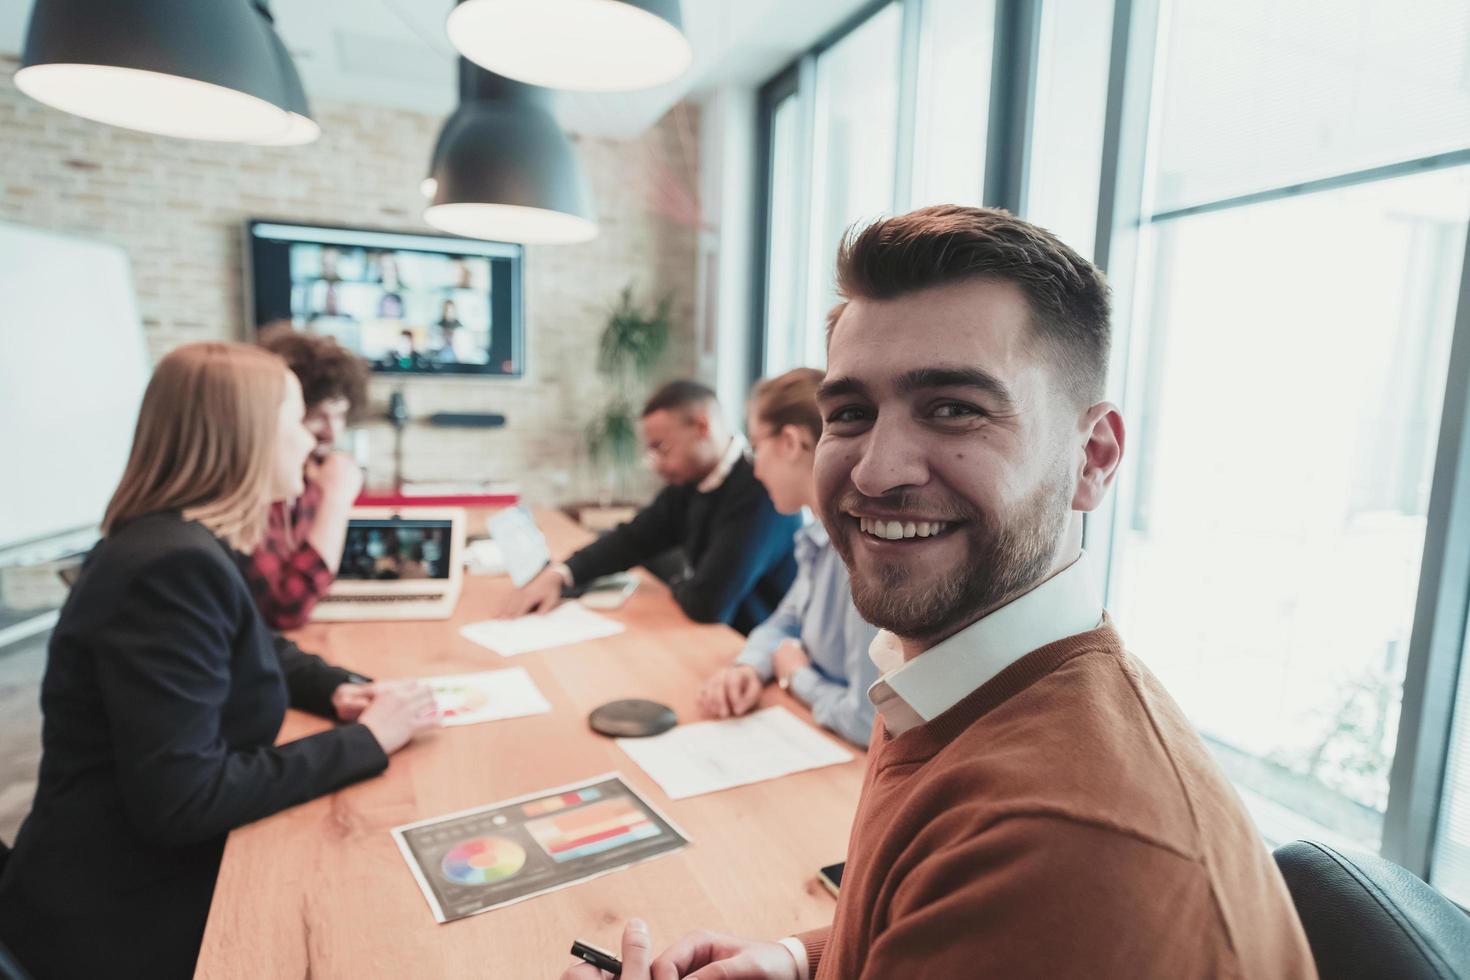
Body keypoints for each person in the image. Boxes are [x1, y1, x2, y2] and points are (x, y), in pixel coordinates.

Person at [560, 206, 1317, 979]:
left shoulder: (1069, 852)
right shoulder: (953, 670)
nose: (875, 471)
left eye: (954, 408)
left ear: (1092, 458)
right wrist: (796, 960)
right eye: (850, 413)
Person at [0, 343, 436, 980]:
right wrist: (369, 741)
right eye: (297, 420)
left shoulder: (176, 542)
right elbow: (186, 798)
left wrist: (337, 688)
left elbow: (254, 646)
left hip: (123, 876)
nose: (311, 440)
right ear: (247, 436)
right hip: (120, 918)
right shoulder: (170, 567)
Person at [500, 380, 801, 634]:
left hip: (749, 651)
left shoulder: (762, 490)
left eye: (661, 447)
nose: (656, 464)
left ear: (701, 426)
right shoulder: (690, 483)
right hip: (705, 641)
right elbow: (632, 539)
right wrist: (560, 574)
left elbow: (708, 603)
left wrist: (679, 581)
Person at [697, 368, 879, 746]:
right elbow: (781, 625)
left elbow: (867, 722)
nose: (755, 467)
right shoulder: (819, 540)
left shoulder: (867, 556)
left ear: (791, 442)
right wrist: (749, 666)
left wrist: (797, 677)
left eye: (754, 445)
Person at [247, 326, 369, 628]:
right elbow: (285, 608)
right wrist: (336, 501)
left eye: (340, 415)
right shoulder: (256, 489)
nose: (333, 432)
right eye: (318, 415)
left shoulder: (310, 475)